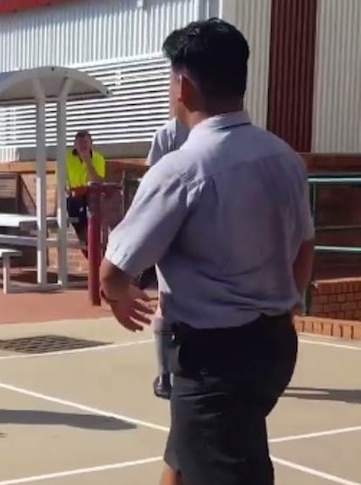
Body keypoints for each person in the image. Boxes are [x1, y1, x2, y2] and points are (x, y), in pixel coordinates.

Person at [98, 18, 313, 485]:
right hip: (274, 347)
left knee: (226, 466)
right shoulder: (284, 158)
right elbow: (305, 245)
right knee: (182, 458)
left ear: (185, 85)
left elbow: (115, 269)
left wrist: (119, 296)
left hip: (215, 360)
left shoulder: (181, 169)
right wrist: (283, 305)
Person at [140, 117, 190, 400]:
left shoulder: (168, 133)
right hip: (201, 227)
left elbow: (153, 185)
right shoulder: (171, 133)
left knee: (167, 302)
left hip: (174, 226)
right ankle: (167, 374)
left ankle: (166, 376)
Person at [64, 130, 106, 257]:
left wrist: (88, 162)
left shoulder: (98, 158)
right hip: (75, 198)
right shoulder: (66, 158)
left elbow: (98, 181)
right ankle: (93, 260)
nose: (83, 147)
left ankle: (97, 262)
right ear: (75, 145)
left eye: (85, 143)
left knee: (94, 233)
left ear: (91, 144)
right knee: (83, 236)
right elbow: (62, 183)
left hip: (92, 197)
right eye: (80, 144)